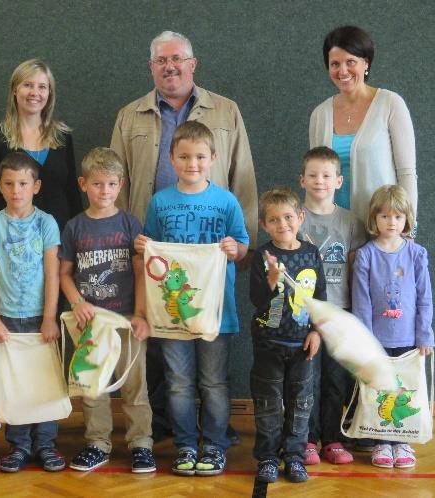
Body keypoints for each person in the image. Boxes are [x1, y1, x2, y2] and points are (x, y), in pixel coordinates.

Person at [110, 29, 257, 442]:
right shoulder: (129, 115)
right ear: (151, 67)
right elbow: (116, 182)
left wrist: (244, 247)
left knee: (209, 360)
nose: (170, 66)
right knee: (162, 343)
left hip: (212, 256)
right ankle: (168, 429)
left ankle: (212, 433)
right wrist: (126, 244)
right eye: (161, 60)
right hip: (151, 247)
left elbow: (243, 178)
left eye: (178, 59)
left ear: (193, 64)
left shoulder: (226, 111)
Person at [134, 122, 249, 476]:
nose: (192, 163)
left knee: (214, 382)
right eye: (184, 156)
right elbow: (150, 251)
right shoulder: (160, 202)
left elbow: (243, 246)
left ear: (213, 158)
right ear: (171, 158)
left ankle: (213, 446)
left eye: (200, 157)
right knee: (179, 382)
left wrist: (234, 249)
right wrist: (142, 247)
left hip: (217, 312)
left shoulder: (226, 201)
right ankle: (185, 444)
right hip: (172, 314)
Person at [58, 147, 155, 473]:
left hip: (127, 319)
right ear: (83, 184)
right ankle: (97, 443)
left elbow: (141, 271)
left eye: (111, 184)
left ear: (121, 184)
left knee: (134, 387)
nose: (105, 191)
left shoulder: (130, 223)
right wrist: (77, 301)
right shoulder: (74, 227)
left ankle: (141, 444)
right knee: (92, 387)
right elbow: (64, 273)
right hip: (91, 323)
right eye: (98, 184)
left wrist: (141, 315)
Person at [0, 152, 65, 473]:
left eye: (23, 184)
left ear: (36, 186)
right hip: (7, 319)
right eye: (10, 184)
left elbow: (53, 272)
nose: (17, 191)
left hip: (41, 317)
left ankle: (45, 443)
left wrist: (49, 317)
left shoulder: (47, 223)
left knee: (43, 382)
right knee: (14, 382)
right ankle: (19, 445)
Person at [352, 184, 434, 468]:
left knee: (404, 389)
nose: (391, 222)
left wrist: (425, 335)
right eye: (384, 216)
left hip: (409, 338)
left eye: (397, 217)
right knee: (379, 390)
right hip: (377, 339)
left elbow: (425, 297)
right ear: (374, 219)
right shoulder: (365, 255)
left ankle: (402, 441)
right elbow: (361, 301)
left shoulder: (416, 254)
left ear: (406, 219)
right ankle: (381, 441)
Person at [250, 186, 326, 484]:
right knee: (268, 404)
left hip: (302, 345)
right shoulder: (262, 256)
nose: (282, 224)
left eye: (288, 217)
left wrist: (317, 331)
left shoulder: (311, 253)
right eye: (273, 220)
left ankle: (294, 456)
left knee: (301, 404)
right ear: (263, 224)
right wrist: (270, 280)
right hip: (269, 344)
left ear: (301, 217)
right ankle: (268, 457)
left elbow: (320, 296)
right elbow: (257, 300)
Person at [309, 25, 418, 230]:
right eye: (335, 64)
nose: (342, 71)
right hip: (332, 235)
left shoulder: (390, 104)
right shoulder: (319, 115)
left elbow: (407, 174)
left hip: (381, 233)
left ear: (365, 63)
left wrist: (408, 230)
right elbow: (314, 178)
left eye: (351, 62)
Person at [298, 147, 366, 465]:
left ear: (339, 180)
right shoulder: (294, 218)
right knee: (307, 379)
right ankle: (308, 440)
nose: (319, 181)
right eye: (312, 175)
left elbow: (356, 270)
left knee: (335, 381)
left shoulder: (351, 221)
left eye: (326, 175)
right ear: (302, 179)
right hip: (305, 315)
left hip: (341, 312)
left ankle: (332, 439)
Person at [0, 58, 82, 231]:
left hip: (58, 240)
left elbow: (72, 194)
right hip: (10, 241)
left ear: (50, 93)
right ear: (15, 90)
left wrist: (76, 236)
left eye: (42, 87)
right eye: (27, 85)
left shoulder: (62, 137)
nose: (35, 92)